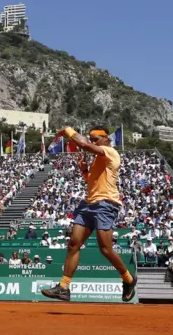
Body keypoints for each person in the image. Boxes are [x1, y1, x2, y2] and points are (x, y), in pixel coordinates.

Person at [41, 126, 137, 302]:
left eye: (95, 138)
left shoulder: (110, 152)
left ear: (105, 139)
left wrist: (67, 130)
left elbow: (84, 145)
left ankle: (129, 279)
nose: (92, 141)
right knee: (73, 244)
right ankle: (64, 287)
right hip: (89, 203)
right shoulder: (97, 160)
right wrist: (85, 171)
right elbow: (92, 182)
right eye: (91, 138)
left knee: (105, 249)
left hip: (106, 203)